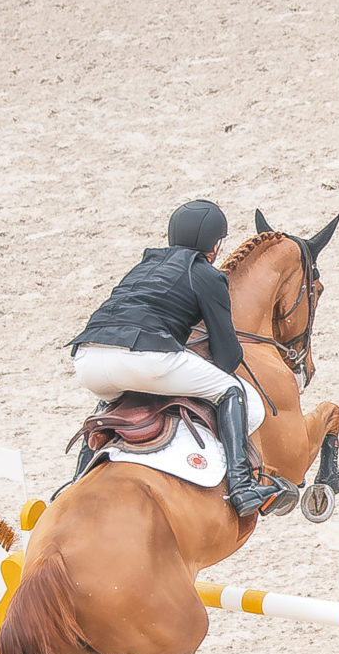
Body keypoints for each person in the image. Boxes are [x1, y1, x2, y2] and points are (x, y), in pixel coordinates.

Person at [69, 200, 288, 517]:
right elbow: (227, 356)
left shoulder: (143, 266)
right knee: (229, 389)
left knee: (112, 403)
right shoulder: (205, 273)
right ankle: (242, 487)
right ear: (215, 245)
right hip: (144, 358)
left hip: (87, 361)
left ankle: (74, 483)